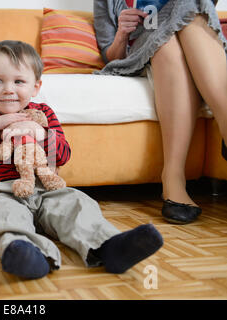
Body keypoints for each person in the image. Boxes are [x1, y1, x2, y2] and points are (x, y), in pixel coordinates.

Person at [0, 40, 163, 279]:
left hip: (46, 187)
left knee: (76, 204)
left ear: (35, 87)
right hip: (2, 190)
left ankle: (108, 245)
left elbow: (63, 155)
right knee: (4, 216)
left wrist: (40, 134)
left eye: (19, 81)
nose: (8, 89)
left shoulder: (43, 115)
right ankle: (25, 253)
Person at [93, 0, 227, 224]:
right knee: (164, 42)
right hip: (151, 48)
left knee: (188, 5)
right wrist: (122, 34)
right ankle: (173, 177)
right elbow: (111, 56)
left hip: (197, 39)